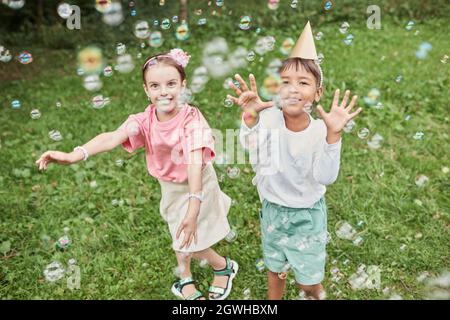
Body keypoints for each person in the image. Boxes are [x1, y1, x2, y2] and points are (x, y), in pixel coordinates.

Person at [35, 48, 238, 300]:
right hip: (170, 185)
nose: (163, 91)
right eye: (155, 85)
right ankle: (185, 277)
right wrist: (73, 155)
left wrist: (194, 205)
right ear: (146, 90)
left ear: (183, 85)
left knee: (192, 234)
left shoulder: (191, 120)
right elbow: (111, 137)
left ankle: (222, 266)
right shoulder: (145, 120)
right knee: (179, 232)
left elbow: (195, 163)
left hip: (198, 183)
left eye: (171, 84)